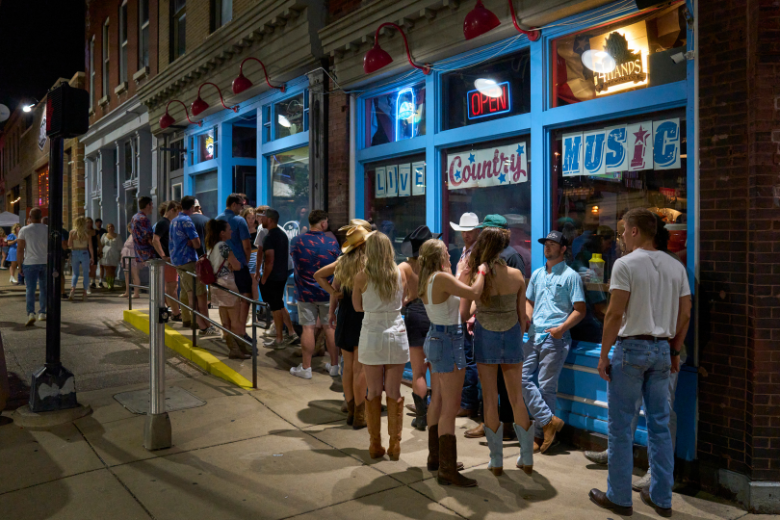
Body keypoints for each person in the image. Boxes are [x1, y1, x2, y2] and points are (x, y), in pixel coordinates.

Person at [589, 208, 692, 518]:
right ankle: (662, 498)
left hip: (631, 349)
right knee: (660, 426)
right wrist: (674, 351)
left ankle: (619, 497)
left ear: (635, 231)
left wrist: (604, 354)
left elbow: (614, 313)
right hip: (662, 351)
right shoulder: (675, 266)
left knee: (620, 428)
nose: (620, 235)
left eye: (623, 229)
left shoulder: (625, 264)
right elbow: (685, 313)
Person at [461, 227, 534, 476]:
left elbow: (467, 311)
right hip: (513, 334)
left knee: (490, 398)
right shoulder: (516, 274)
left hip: (486, 336)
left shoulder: (480, 276)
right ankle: (526, 458)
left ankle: (496, 461)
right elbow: (523, 316)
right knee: (516, 398)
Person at [418, 238, 487, 487]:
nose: (450, 254)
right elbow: (474, 293)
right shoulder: (441, 278)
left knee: (436, 400)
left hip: (437, 338)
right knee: (450, 406)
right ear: (439, 256)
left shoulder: (429, 278)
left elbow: (457, 299)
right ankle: (447, 469)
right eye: (446, 252)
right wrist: (481, 271)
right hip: (449, 340)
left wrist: (461, 273)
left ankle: (436, 458)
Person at [523, 230, 586, 453]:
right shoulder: (538, 274)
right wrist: (527, 318)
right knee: (522, 379)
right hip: (533, 335)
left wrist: (560, 329)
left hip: (554, 338)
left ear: (563, 249)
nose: (547, 247)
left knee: (546, 387)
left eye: (552, 244)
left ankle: (540, 436)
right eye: (546, 243)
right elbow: (528, 300)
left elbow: (580, 310)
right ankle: (549, 421)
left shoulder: (571, 276)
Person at [353, 232, 410, 461]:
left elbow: (357, 307)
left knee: (373, 391)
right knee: (395, 392)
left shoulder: (362, 277)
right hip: (396, 331)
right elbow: (405, 299)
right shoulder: (400, 273)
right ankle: (395, 444)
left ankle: (375, 444)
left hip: (372, 333)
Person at [315, 219, 372, 428]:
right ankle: (359, 414)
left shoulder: (343, 261)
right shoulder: (370, 264)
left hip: (345, 314)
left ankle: (350, 410)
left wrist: (333, 302)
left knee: (347, 367)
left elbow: (319, 276)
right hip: (364, 316)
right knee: (360, 369)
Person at [399, 225, 442, 431]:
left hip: (415, 315)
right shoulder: (438, 266)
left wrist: (407, 300)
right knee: (435, 369)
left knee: (418, 372)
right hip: (434, 314)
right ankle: (435, 414)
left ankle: (422, 417)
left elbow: (397, 299)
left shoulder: (405, 267)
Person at [288, 210, 340, 379]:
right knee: (330, 327)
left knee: (308, 328)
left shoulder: (296, 241)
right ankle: (334, 366)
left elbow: (295, 261)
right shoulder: (332, 243)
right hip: (328, 292)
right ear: (323, 223)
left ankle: (306, 368)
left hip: (305, 293)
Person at [448, 213, 483, 423]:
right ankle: (464, 402)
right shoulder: (466, 251)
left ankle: (468, 404)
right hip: (462, 309)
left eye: (469, 231)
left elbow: (476, 285)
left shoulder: (476, 253)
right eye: (464, 230)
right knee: (463, 359)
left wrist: (471, 312)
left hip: (467, 311)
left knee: (467, 360)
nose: (466, 234)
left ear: (477, 231)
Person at [171, 196, 218, 336]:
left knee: (191, 295)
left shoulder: (174, 221)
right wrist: (192, 242)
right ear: (192, 207)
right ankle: (205, 327)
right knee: (201, 296)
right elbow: (197, 243)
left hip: (178, 262)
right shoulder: (187, 221)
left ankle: (201, 325)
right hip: (190, 261)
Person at [206, 219, 251, 360]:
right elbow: (237, 265)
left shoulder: (211, 246)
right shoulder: (224, 247)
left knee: (225, 319)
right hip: (228, 285)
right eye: (229, 229)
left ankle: (232, 347)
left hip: (216, 285)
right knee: (236, 320)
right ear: (222, 233)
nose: (231, 231)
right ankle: (238, 349)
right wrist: (233, 265)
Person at [259, 208, 298, 348]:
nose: (261, 220)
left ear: (269, 220)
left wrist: (264, 278)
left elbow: (269, 260)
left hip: (273, 277)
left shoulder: (269, 237)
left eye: (263, 218)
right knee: (279, 305)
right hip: (282, 275)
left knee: (275, 307)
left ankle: (279, 339)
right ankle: (292, 333)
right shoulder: (282, 234)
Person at [217, 194, 253, 342]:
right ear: (233, 205)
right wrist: (245, 261)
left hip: (221, 267)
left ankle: (226, 332)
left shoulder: (217, 219)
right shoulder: (239, 220)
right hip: (238, 265)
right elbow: (247, 246)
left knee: (225, 300)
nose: (242, 208)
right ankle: (240, 332)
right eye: (240, 205)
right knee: (244, 298)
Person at [17, 208, 48, 325]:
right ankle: (42, 312)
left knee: (30, 289)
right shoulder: (47, 229)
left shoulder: (24, 230)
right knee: (44, 288)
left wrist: (19, 266)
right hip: (45, 262)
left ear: (29, 217)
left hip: (30, 262)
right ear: (41, 217)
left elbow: (20, 249)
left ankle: (31, 313)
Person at [152, 201, 182, 321]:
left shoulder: (165, 223)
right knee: (171, 286)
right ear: (172, 210)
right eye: (177, 212)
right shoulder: (164, 223)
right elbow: (155, 240)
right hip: (167, 261)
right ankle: (175, 312)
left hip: (169, 260)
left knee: (170, 286)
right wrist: (164, 256)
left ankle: (173, 310)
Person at [68, 217, 94, 301]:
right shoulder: (87, 233)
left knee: (75, 273)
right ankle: (85, 292)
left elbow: (69, 244)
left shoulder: (72, 233)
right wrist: (92, 257)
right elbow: (90, 247)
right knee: (86, 273)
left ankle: (73, 290)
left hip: (75, 252)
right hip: (84, 252)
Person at [130, 197, 156, 277]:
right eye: (151, 204)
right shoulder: (143, 219)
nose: (152, 207)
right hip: (148, 253)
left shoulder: (134, 217)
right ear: (147, 205)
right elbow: (149, 238)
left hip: (138, 252)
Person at [241, 207, 260, 303]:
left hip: (255, 257)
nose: (251, 220)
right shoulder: (242, 229)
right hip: (245, 257)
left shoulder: (258, 230)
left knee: (253, 284)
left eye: (253, 218)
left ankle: (255, 307)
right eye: (249, 218)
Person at [119, 223, 141, 299]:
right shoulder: (131, 236)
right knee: (127, 275)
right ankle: (127, 292)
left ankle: (136, 293)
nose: (130, 229)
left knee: (135, 274)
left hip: (132, 257)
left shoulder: (136, 236)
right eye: (129, 228)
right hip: (127, 257)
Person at [100, 223, 123, 290]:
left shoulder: (117, 236)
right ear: (107, 228)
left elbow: (120, 246)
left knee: (113, 269)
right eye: (109, 227)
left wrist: (120, 255)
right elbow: (101, 244)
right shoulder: (104, 235)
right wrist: (100, 253)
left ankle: (112, 283)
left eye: (112, 226)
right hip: (106, 254)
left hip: (114, 253)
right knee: (108, 269)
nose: (110, 228)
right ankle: (109, 285)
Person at [93, 218, 108, 288]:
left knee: (102, 266)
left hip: (101, 250)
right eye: (97, 223)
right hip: (94, 249)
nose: (99, 224)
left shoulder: (104, 231)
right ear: (95, 224)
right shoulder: (93, 231)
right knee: (94, 266)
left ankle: (100, 281)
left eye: (100, 223)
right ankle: (93, 281)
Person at [85, 217, 99, 291]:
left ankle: (92, 282)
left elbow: (98, 242)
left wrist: (100, 250)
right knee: (87, 268)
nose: (89, 223)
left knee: (94, 267)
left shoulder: (95, 231)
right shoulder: (83, 232)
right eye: (87, 222)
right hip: (85, 251)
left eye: (90, 222)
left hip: (94, 250)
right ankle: (88, 283)